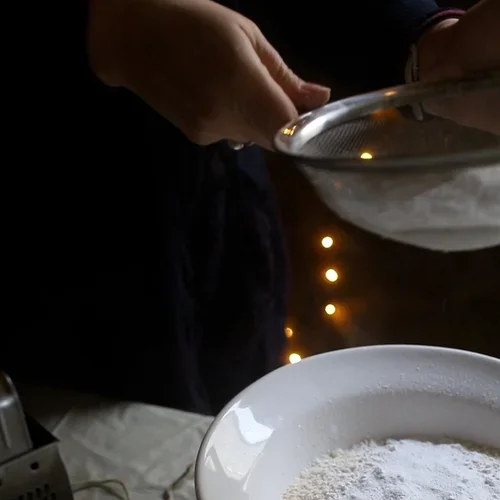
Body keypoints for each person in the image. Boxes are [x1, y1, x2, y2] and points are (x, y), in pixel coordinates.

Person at [4, 1, 499, 414]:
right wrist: (105, 23)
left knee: (237, 409)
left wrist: (432, 47)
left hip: (222, 209)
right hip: (56, 246)